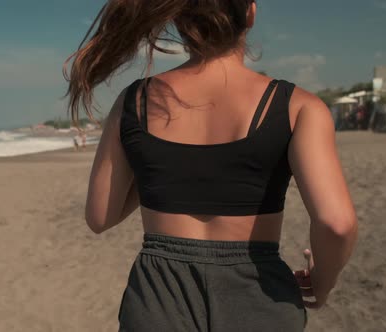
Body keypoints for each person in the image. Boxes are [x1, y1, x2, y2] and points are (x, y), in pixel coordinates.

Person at [64, 1, 358, 331]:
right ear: (250, 12)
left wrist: (154, 166)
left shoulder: (135, 102)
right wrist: (321, 282)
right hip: (260, 296)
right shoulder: (298, 106)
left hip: (158, 300)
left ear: (176, 16)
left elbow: (99, 217)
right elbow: (337, 224)